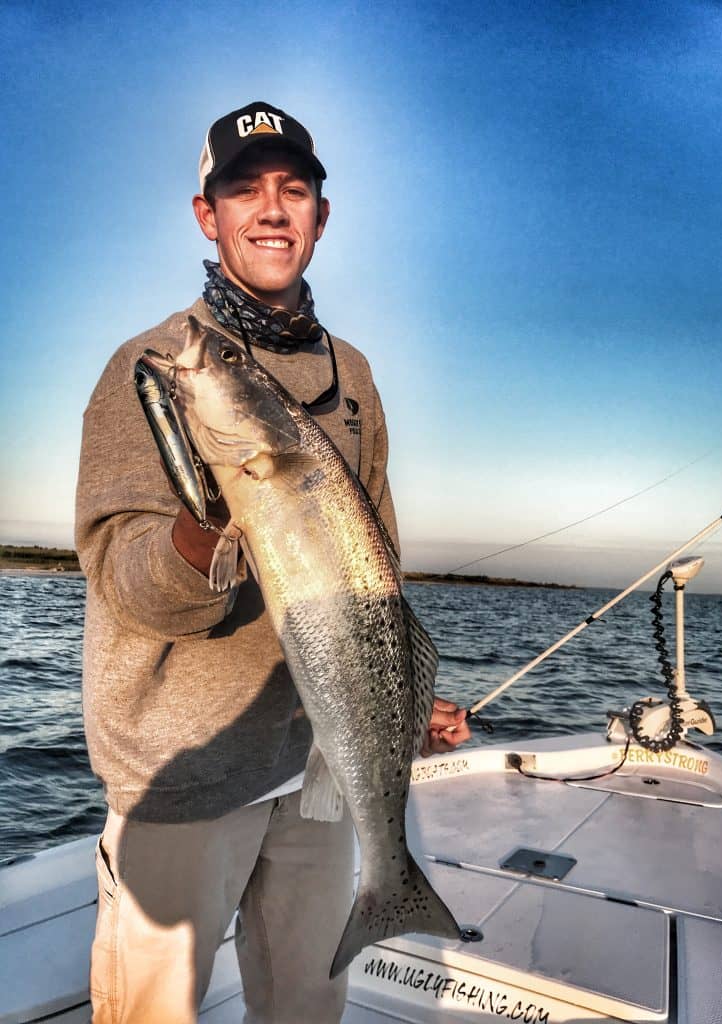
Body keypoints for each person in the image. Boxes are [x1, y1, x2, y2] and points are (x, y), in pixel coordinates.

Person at [75, 100, 471, 1023]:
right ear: (205, 216)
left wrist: (400, 702)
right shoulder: (151, 363)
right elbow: (122, 574)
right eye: (243, 191)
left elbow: (381, 571)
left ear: (321, 218)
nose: (272, 209)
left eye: (295, 190)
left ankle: (392, 885)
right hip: (184, 772)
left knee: (305, 1009)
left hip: (320, 767)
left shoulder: (355, 375)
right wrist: (197, 536)